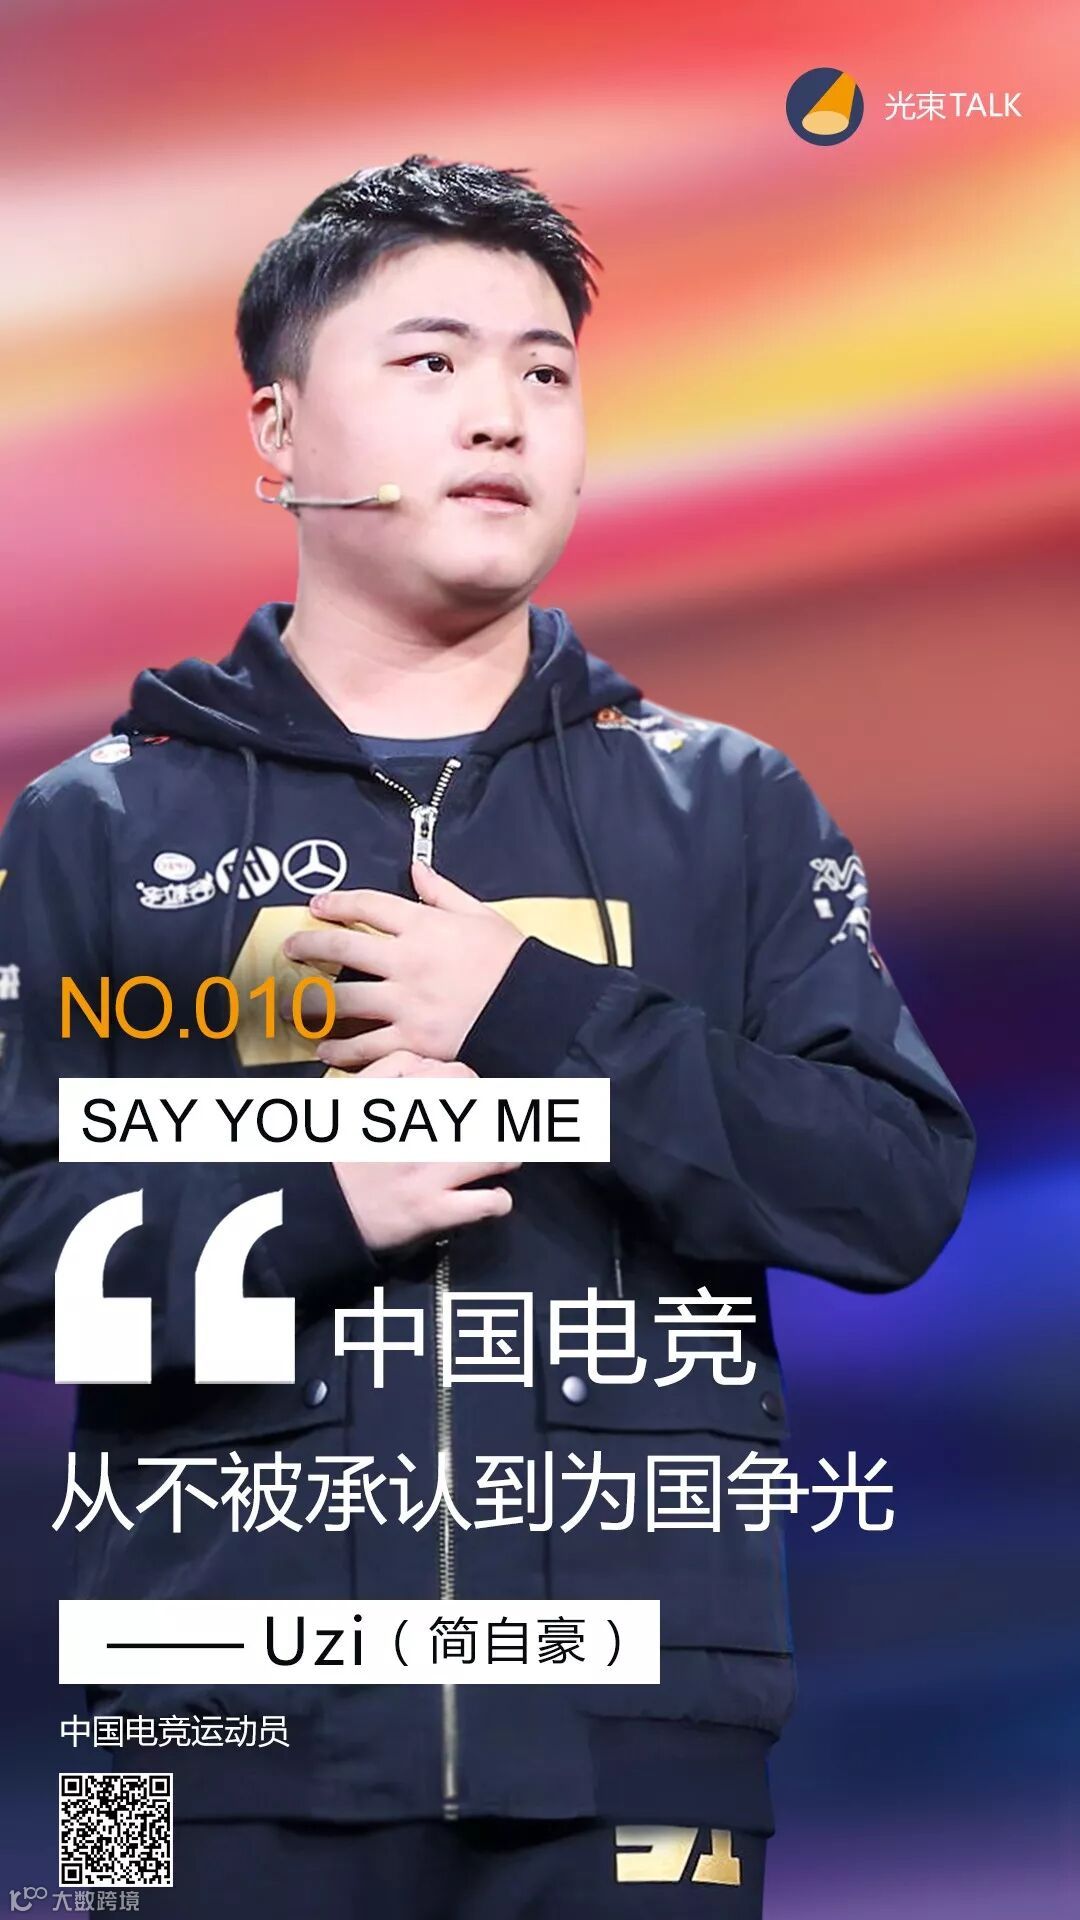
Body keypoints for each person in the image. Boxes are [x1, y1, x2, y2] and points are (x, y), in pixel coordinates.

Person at [0, 154, 976, 1917]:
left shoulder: (731, 808)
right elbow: (10, 1243)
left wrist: (534, 1013)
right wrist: (315, 1205)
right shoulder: (94, 825)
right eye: (432, 362)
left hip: (636, 1749)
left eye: (545, 371)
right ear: (280, 431)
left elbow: (893, 1194)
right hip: (181, 1742)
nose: (501, 413)